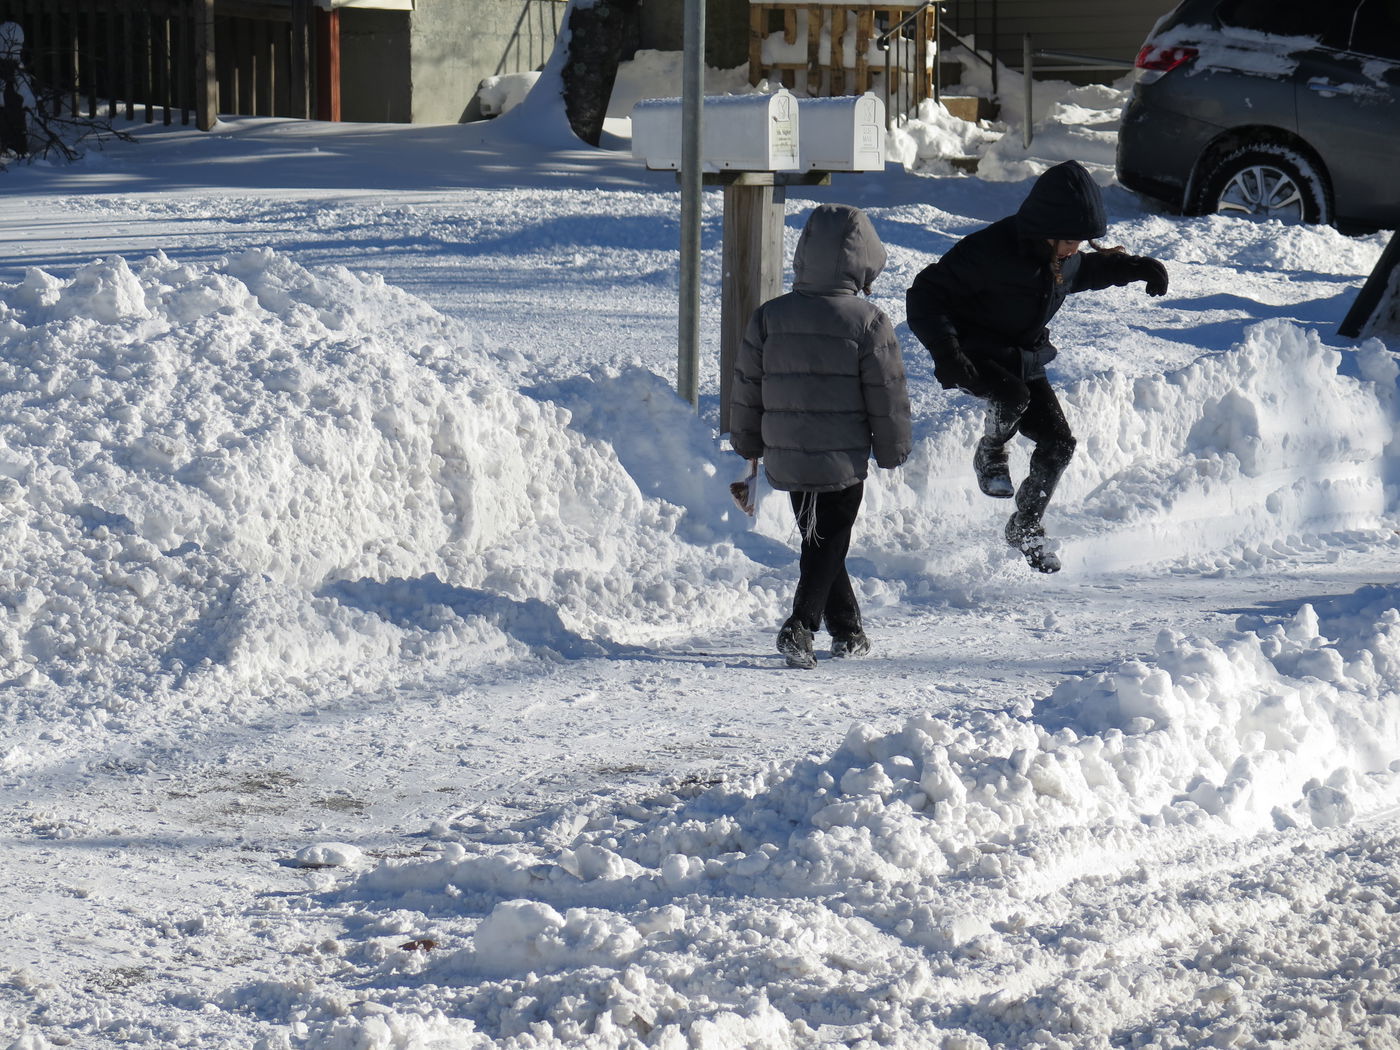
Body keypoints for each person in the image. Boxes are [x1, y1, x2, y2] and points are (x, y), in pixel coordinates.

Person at [905, 159, 1168, 573]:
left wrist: (1135, 268)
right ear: (1043, 229)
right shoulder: (988, 250)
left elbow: (1089, 270)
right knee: (1012, 395)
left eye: (1080, 241)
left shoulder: (1063, 257)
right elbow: (925, 294)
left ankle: (1025, 525)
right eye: (1068, 241)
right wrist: (946, 352)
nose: (1073, 249)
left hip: (1022, 357)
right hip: (973, 351)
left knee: (1060, 443)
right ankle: (991, 452)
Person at [730, 203, 912, 669]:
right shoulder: (868, 320)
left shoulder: (770, 316)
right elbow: (886, 393)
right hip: (842, 456)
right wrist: (893, 449)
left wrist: (749, 444)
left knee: (821, 539)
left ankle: (847, 629)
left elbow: (748, 387)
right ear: (864, 259)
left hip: (786, 453)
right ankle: (802, 623)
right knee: (827, 540)